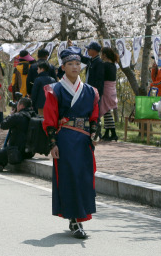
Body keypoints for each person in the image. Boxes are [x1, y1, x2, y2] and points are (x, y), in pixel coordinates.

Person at [43, 46, 99, 239]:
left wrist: (94, 134)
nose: (75, 67)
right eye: (70, 64)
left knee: (84, 178)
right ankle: (74, 220)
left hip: (83, 141)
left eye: (77, 63)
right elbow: (50, 119)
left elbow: (94, 117)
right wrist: (53, 143)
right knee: (70, 178)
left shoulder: (91, 91)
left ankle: (80, 216)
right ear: (63, 67)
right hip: (65, 139)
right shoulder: (55, 90)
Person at [0, 97, 37, 172]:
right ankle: (1, 163)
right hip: (30, 152)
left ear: (22, 106)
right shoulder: (34, 116)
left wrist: (11, 115)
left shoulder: (18, 116)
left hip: (16, 151)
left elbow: (3, 125)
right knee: (2, 153)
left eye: (18, 104)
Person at [100, 47, 119, 141]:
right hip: (112, 89)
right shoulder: (113, 65)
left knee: (106, 111)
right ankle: (107, 133)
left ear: (105, 55)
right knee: (107, 111)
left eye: (101, 53)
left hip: (106, 89)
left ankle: (114, 133)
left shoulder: (105, 65)